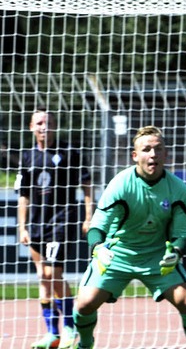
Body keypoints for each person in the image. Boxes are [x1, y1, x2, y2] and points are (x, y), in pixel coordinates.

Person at [72, 126, 186, 349]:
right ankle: (85, 344)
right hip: (117, 255)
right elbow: (97, 225)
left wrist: (175, 252)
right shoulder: (120, 184)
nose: (153, 154)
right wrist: (98, 248)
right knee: (84, 304)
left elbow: (182, 232)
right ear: (135, 156)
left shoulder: (179, 189)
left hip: (156, 258)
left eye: (158, 149)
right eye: (146, 149)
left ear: (166, 154)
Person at [17, 108, 93, 349]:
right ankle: (52, 333)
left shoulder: (69, 151)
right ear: (31, 127)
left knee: (52, 275)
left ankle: (70, 328)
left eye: (48, 122)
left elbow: (87, 184)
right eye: (39, 123)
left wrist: (88, 216)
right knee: (43, 277)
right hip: (37, 224)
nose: (43, 127)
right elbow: (23, 195)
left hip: (62, 220)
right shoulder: (27, 156)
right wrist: (23, 227)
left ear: (54, 126)